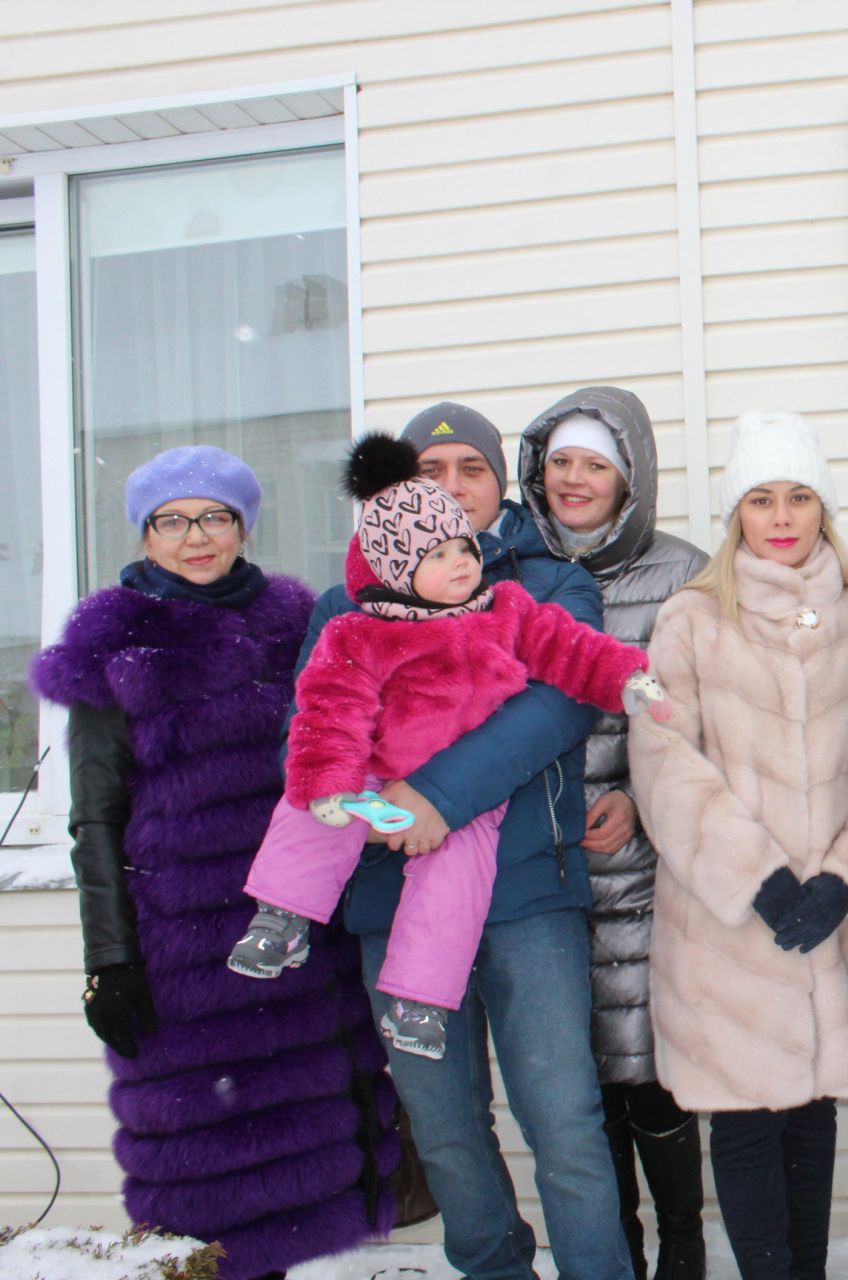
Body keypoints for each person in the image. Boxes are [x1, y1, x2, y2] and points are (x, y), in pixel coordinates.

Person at [30, 446, 397, 1278]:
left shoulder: (295, 623)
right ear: (146, 534)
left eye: (215, 516)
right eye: (172, 520)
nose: (195, 537)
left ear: (242, 526)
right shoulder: (116, 644)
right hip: (184, 962)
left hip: (297, 942)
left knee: (300, 1175)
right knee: (207, 1185)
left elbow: (341, 756)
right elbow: (95, 820)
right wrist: (110, 963)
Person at [303, 402, 637, 1279]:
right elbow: (311, 739)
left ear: (500, 485)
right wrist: (383, 813)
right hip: (393, 896)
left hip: (527, 898)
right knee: (445, 1127)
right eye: (429, 473)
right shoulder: (347, 604)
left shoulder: (552, 585)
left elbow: (557, 710)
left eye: (471, 471)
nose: (451, 488)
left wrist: (437, 796)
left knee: (564, 1121)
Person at [229, 435, 656, 1064]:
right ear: (397, 568)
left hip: (466, 802)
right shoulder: (358, 630)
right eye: (437, 554)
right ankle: (281, 917)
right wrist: (331, 785)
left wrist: (624, 676)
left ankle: (421, 1001)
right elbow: (329, 710)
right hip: (375, 782)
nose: (461, 562)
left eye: (464, 547)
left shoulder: (508, 609)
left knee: (455, 883)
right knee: (304, 809)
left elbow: (572, 652)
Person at [627, 411, 848, 1280]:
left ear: (825, 508)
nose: (781, 516)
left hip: (833, 926)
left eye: (800, 496)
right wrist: (763, 880)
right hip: (729, 930)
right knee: (746, 1123)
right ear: (735, 512)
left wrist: (846, 879)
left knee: (813, 1117)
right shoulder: (691, 620)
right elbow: (664, 764)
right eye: (761, 498)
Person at [520, 386, 711, 1280]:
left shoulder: (680, 574)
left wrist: (641, 793)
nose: (574, 479)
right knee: (580, 1092)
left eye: (595, 462)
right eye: (560, 461)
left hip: (646, 868)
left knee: (651, 1079)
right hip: (541, 872)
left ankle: (682, 1246)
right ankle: (615, 1256)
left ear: (629, 475)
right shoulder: (504, 571)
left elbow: (710, 712)